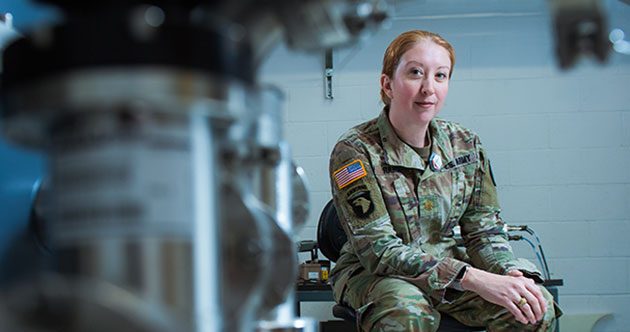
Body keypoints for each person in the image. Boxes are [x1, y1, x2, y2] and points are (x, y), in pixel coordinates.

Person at [327, 30, 560, 332]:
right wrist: (473, 278)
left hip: (452, 268)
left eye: (440, 76)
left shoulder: (465, 143)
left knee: (532, 306)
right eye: (415, 73)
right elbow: (379, 251)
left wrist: (508, 273)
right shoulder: (356, 150)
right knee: (407, 311)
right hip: (377, 275)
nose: (429, 89)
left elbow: (483, 230)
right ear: (388, 84)